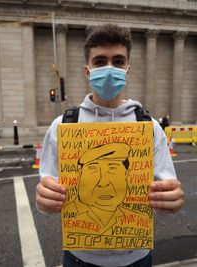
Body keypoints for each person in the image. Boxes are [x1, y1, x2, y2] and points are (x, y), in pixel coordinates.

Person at [36, 24, 184, 267]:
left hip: (136, 258)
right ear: (87, 71)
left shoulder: (149, 127)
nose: (109, 68)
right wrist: (45, 201)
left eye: (117, 61)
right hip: (79, 258)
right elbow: (48, 188)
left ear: (127, 70)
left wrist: (172, 201)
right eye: (100, 61)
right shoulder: (62, 125)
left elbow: (166, 191)